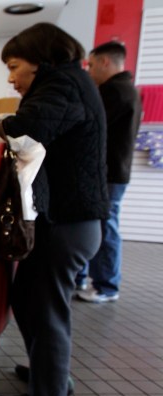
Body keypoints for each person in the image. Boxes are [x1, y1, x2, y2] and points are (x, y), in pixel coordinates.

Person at [0, 23, 109, 396]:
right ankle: (51, 372)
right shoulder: (70, 83)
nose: (11, 78)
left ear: (41, 61)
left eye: (14, 66)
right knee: (29, 299)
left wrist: (2, 124)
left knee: (46, 308)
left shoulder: (63, 86)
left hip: (68, 223)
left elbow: (29, 128)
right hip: (70, 220)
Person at [75, 41, 142, 303]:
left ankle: (106, 285)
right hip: (115, 172)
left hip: (109, 173)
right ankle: (91, 279)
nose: (89, 71)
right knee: (102, 224)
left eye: (91, 65)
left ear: (105, 62)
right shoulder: (128, 90)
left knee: (106, 226)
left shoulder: (115, 92)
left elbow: (89, 127)